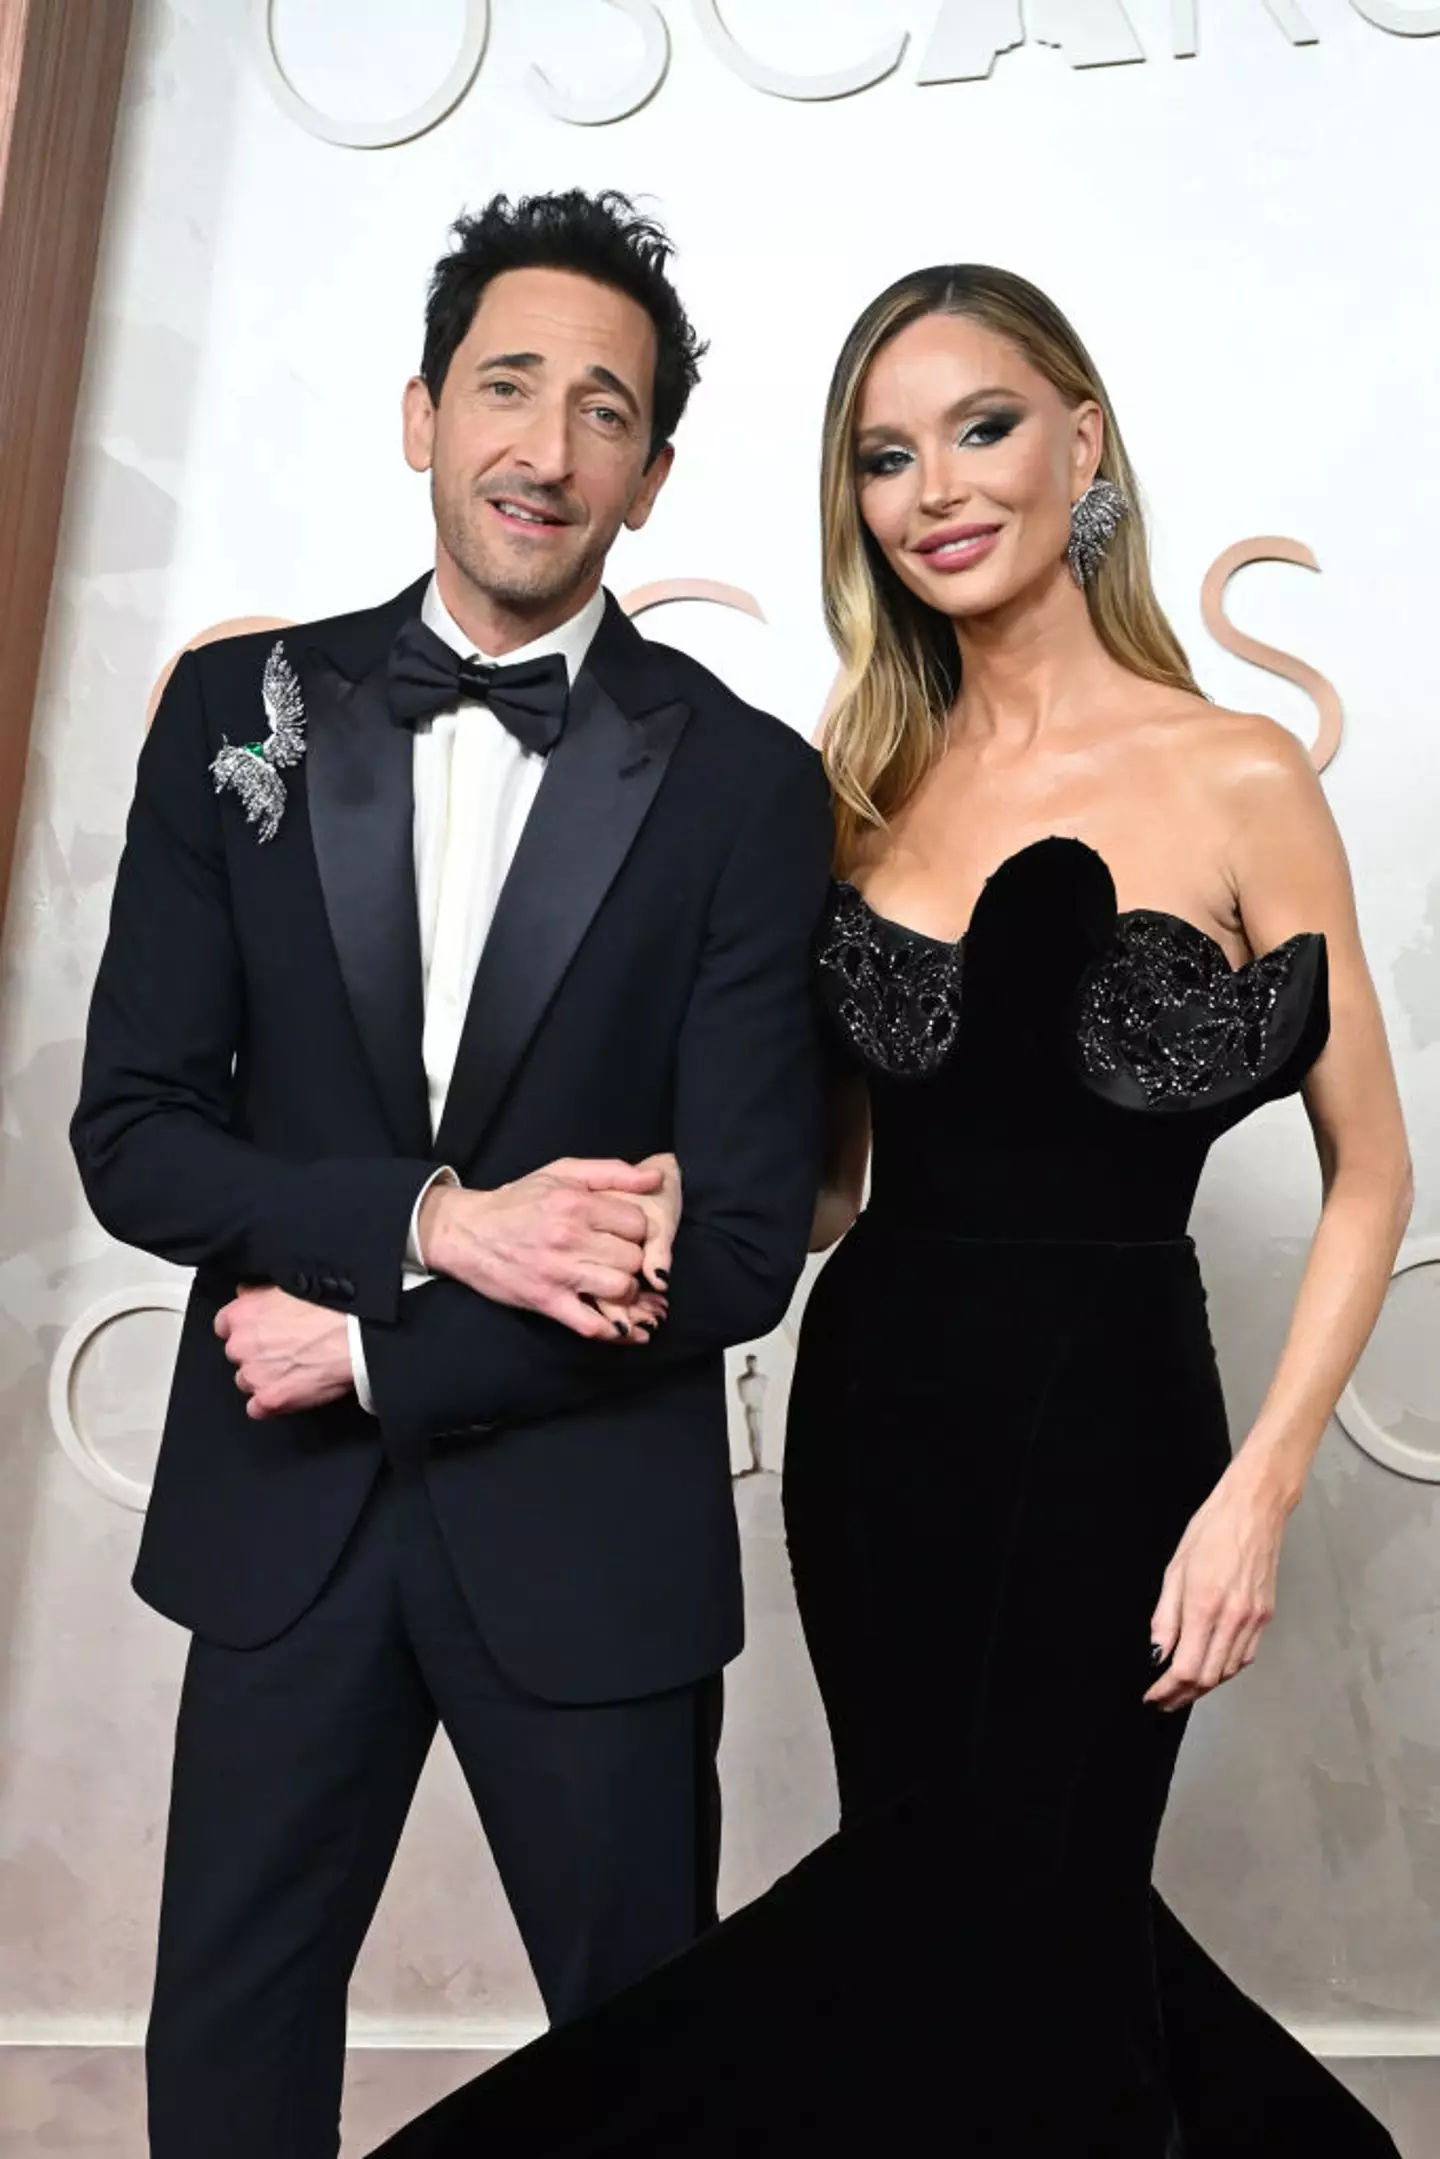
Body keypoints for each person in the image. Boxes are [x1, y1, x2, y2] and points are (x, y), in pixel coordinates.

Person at [370, 266, 1410, 2156]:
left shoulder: (1240, 769)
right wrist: (625, 1199)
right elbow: (837, 1178)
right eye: (884, 455)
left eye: (983, 427)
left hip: (1114, 1439)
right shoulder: (857, 784)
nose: (936, 486)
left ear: (1082, 441)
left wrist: (1255, 1490)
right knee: (976, 1933)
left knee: (1004, 1918)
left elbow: (1375, 1174)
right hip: (879, 1435)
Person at [69, 189, 833, 2159]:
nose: (545, 446)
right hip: (282, 1526)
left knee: (658, 2064)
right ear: (420, 412)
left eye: (604, 410)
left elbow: (742, 1237)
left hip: (590, 1529)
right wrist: (430, 1226)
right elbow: (134, 1129)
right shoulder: (240, 719)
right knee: (231, 2051)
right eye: (506, 385)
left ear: (653, 476)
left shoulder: (748, 786)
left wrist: (384, 1348)